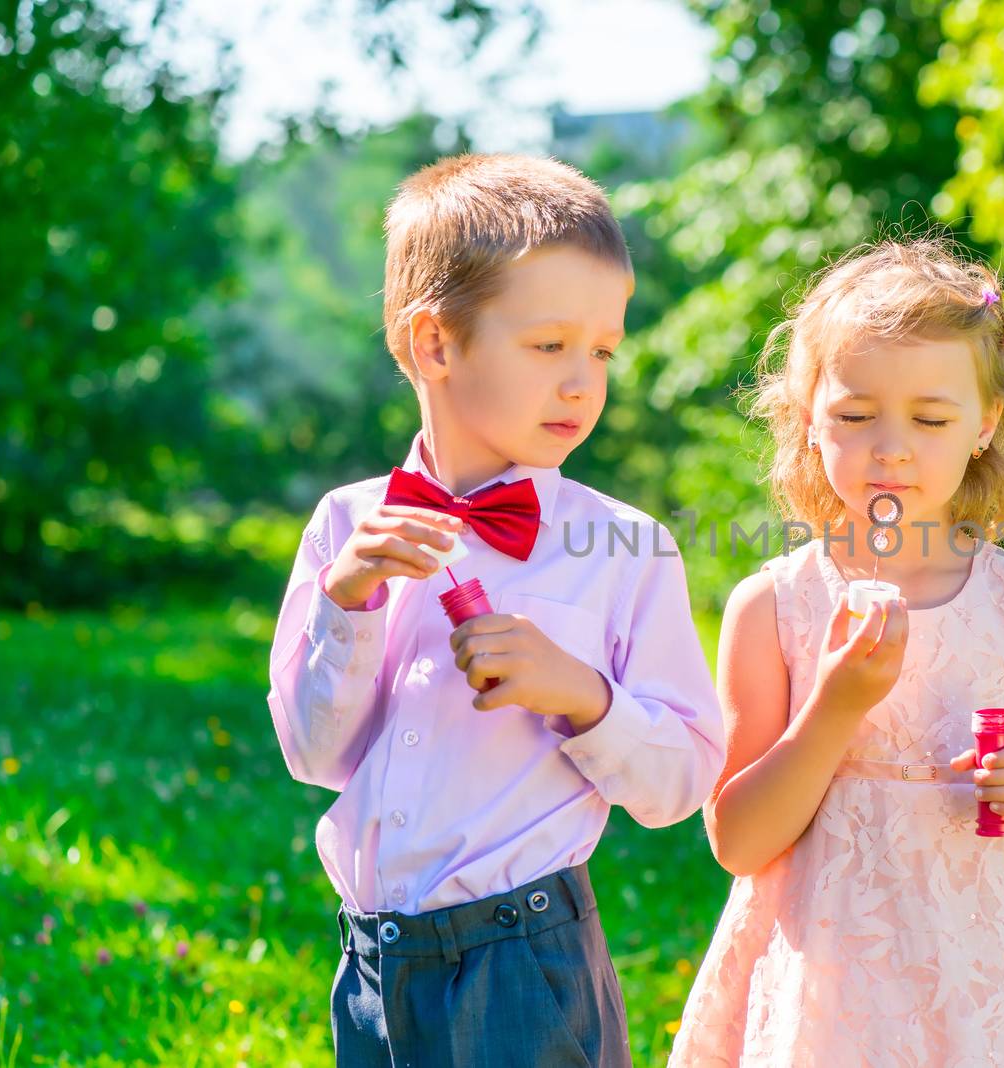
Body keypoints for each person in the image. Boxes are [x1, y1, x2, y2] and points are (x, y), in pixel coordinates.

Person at [265, 153, 725, 1067]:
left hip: (527, 958)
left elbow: (683, 781)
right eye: (550, 345)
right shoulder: (347, 526)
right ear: (434, 344)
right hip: (372, 960)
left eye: (602, 350)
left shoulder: (626, 545)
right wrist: (348, 606)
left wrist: (584, 695)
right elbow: (315, 758)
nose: (582, 382)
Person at [671, 238, 1004, 1065]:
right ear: (809, 418)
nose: (892, 446)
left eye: (931, 418)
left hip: (987, 977)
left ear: (984, 424)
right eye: (855, 414)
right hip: (828, 980)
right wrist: (836, 707)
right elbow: (738, 839)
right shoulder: (773, 606)